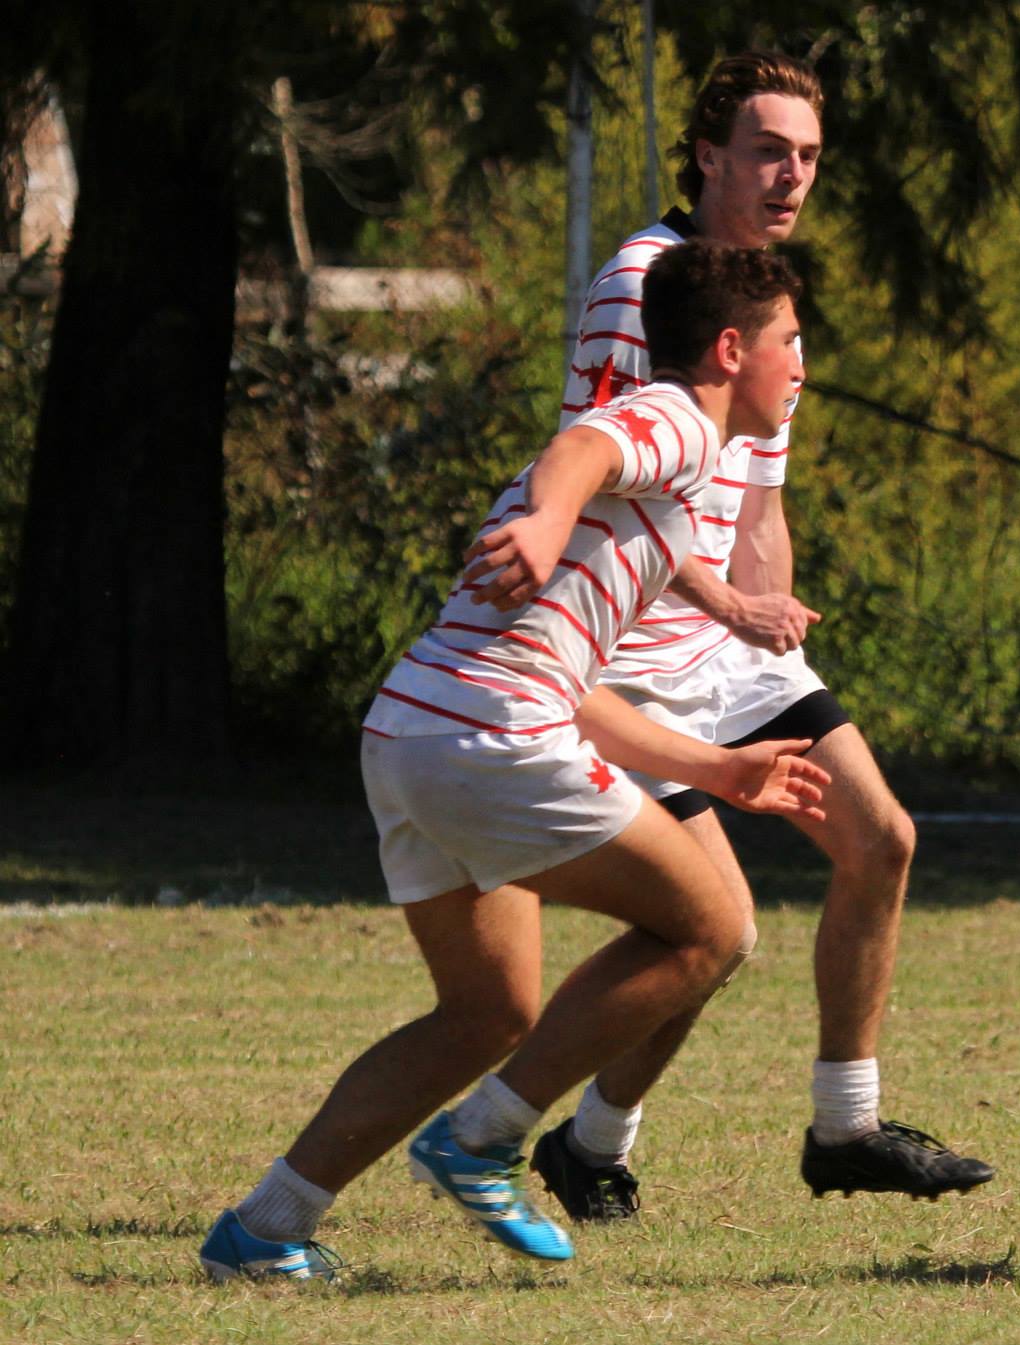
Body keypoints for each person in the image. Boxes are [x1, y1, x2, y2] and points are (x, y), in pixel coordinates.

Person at [200, 241, 825, 1279]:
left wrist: (715, 768)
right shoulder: (674, 419)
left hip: (414, 731)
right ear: (729, 349)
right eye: (789, 340)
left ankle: (262, 1229)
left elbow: (573, 684)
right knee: (713, 926)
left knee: (488, 1011)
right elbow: (584, 445)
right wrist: (546, 512)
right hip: (487, 736)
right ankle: (481, 1138)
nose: (801, 364)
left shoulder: (670, 501)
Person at [534, 50, 990, 1220]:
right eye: (766, 150)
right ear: (707, 156)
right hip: (631, 656)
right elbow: (598, 481)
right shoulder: (642, 280)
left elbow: (758, 505)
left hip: (731, 655)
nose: (791, 173)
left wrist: (769, 631)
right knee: (708, 928)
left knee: (881, 836)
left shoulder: (768, 288)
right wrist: (725, 601)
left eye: (807, 156)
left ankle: (844, 1126)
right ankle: (586, 1142)